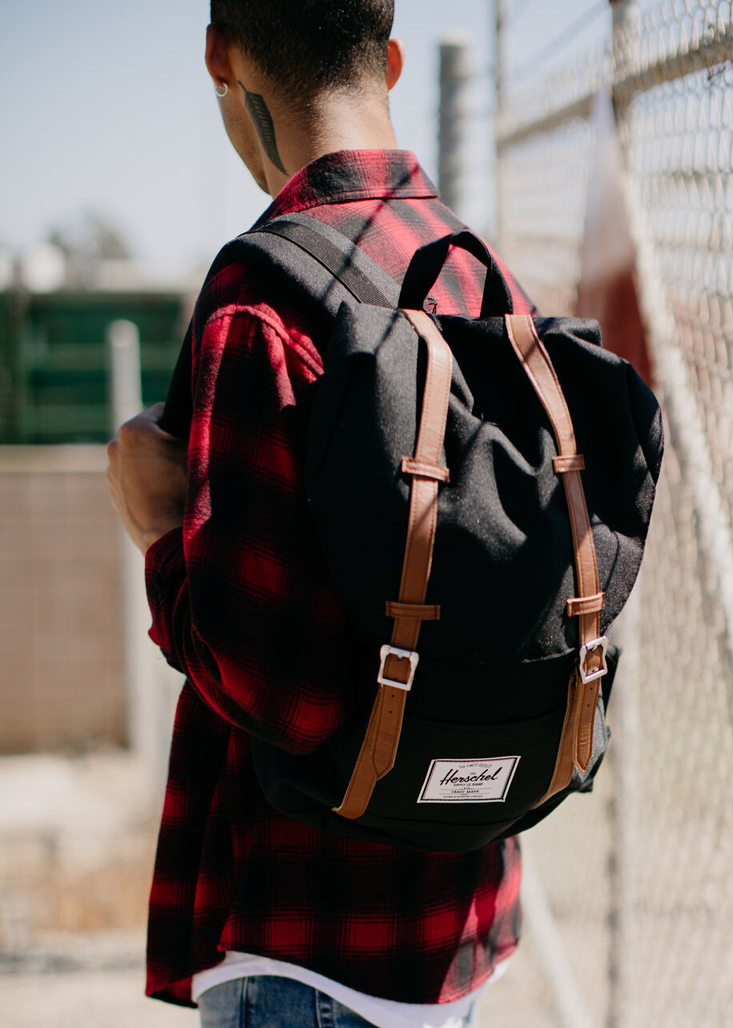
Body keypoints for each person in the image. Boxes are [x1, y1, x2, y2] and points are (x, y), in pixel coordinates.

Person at [106, 2, 535, 1025]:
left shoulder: (263, 294)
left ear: (221, 55)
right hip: (461, 916)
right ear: (386, 59)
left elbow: (277, 691)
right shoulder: (476, 266)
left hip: (311, 946)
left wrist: (163, 528)